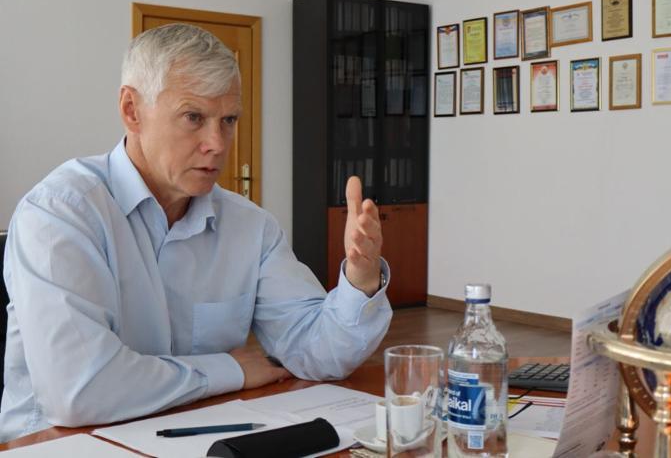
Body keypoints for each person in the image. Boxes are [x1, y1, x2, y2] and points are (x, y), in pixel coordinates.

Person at [0, 23, 392, 442]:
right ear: (132, 110)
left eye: (228, 120)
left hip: (199, 433)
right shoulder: (59, 214)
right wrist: (230, 368)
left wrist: (360, 280)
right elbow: (80, 391)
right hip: (59, 443)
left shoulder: (250, 226)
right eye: (194, 117)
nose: (218, 144)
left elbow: (316, 352)